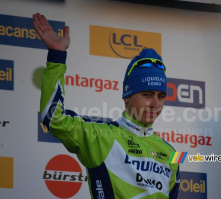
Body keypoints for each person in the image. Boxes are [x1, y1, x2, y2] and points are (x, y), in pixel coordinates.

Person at [33, 13, 180, 199]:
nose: (155, 104)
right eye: (147, 95)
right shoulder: (101, 137)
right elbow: (53, 118)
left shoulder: (170, 154)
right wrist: (57, 56)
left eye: (161, 96)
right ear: (127, 96)